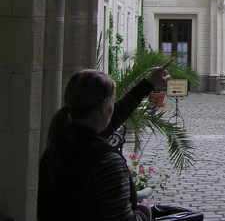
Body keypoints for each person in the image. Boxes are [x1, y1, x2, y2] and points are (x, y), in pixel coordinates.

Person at [37, 59, 174, 221]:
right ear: (103, 106)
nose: (113, 107)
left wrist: (149, 83)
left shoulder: (60, 146)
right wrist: (144, 210)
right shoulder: (105, 161)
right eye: (111, 101)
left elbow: (115, 116)